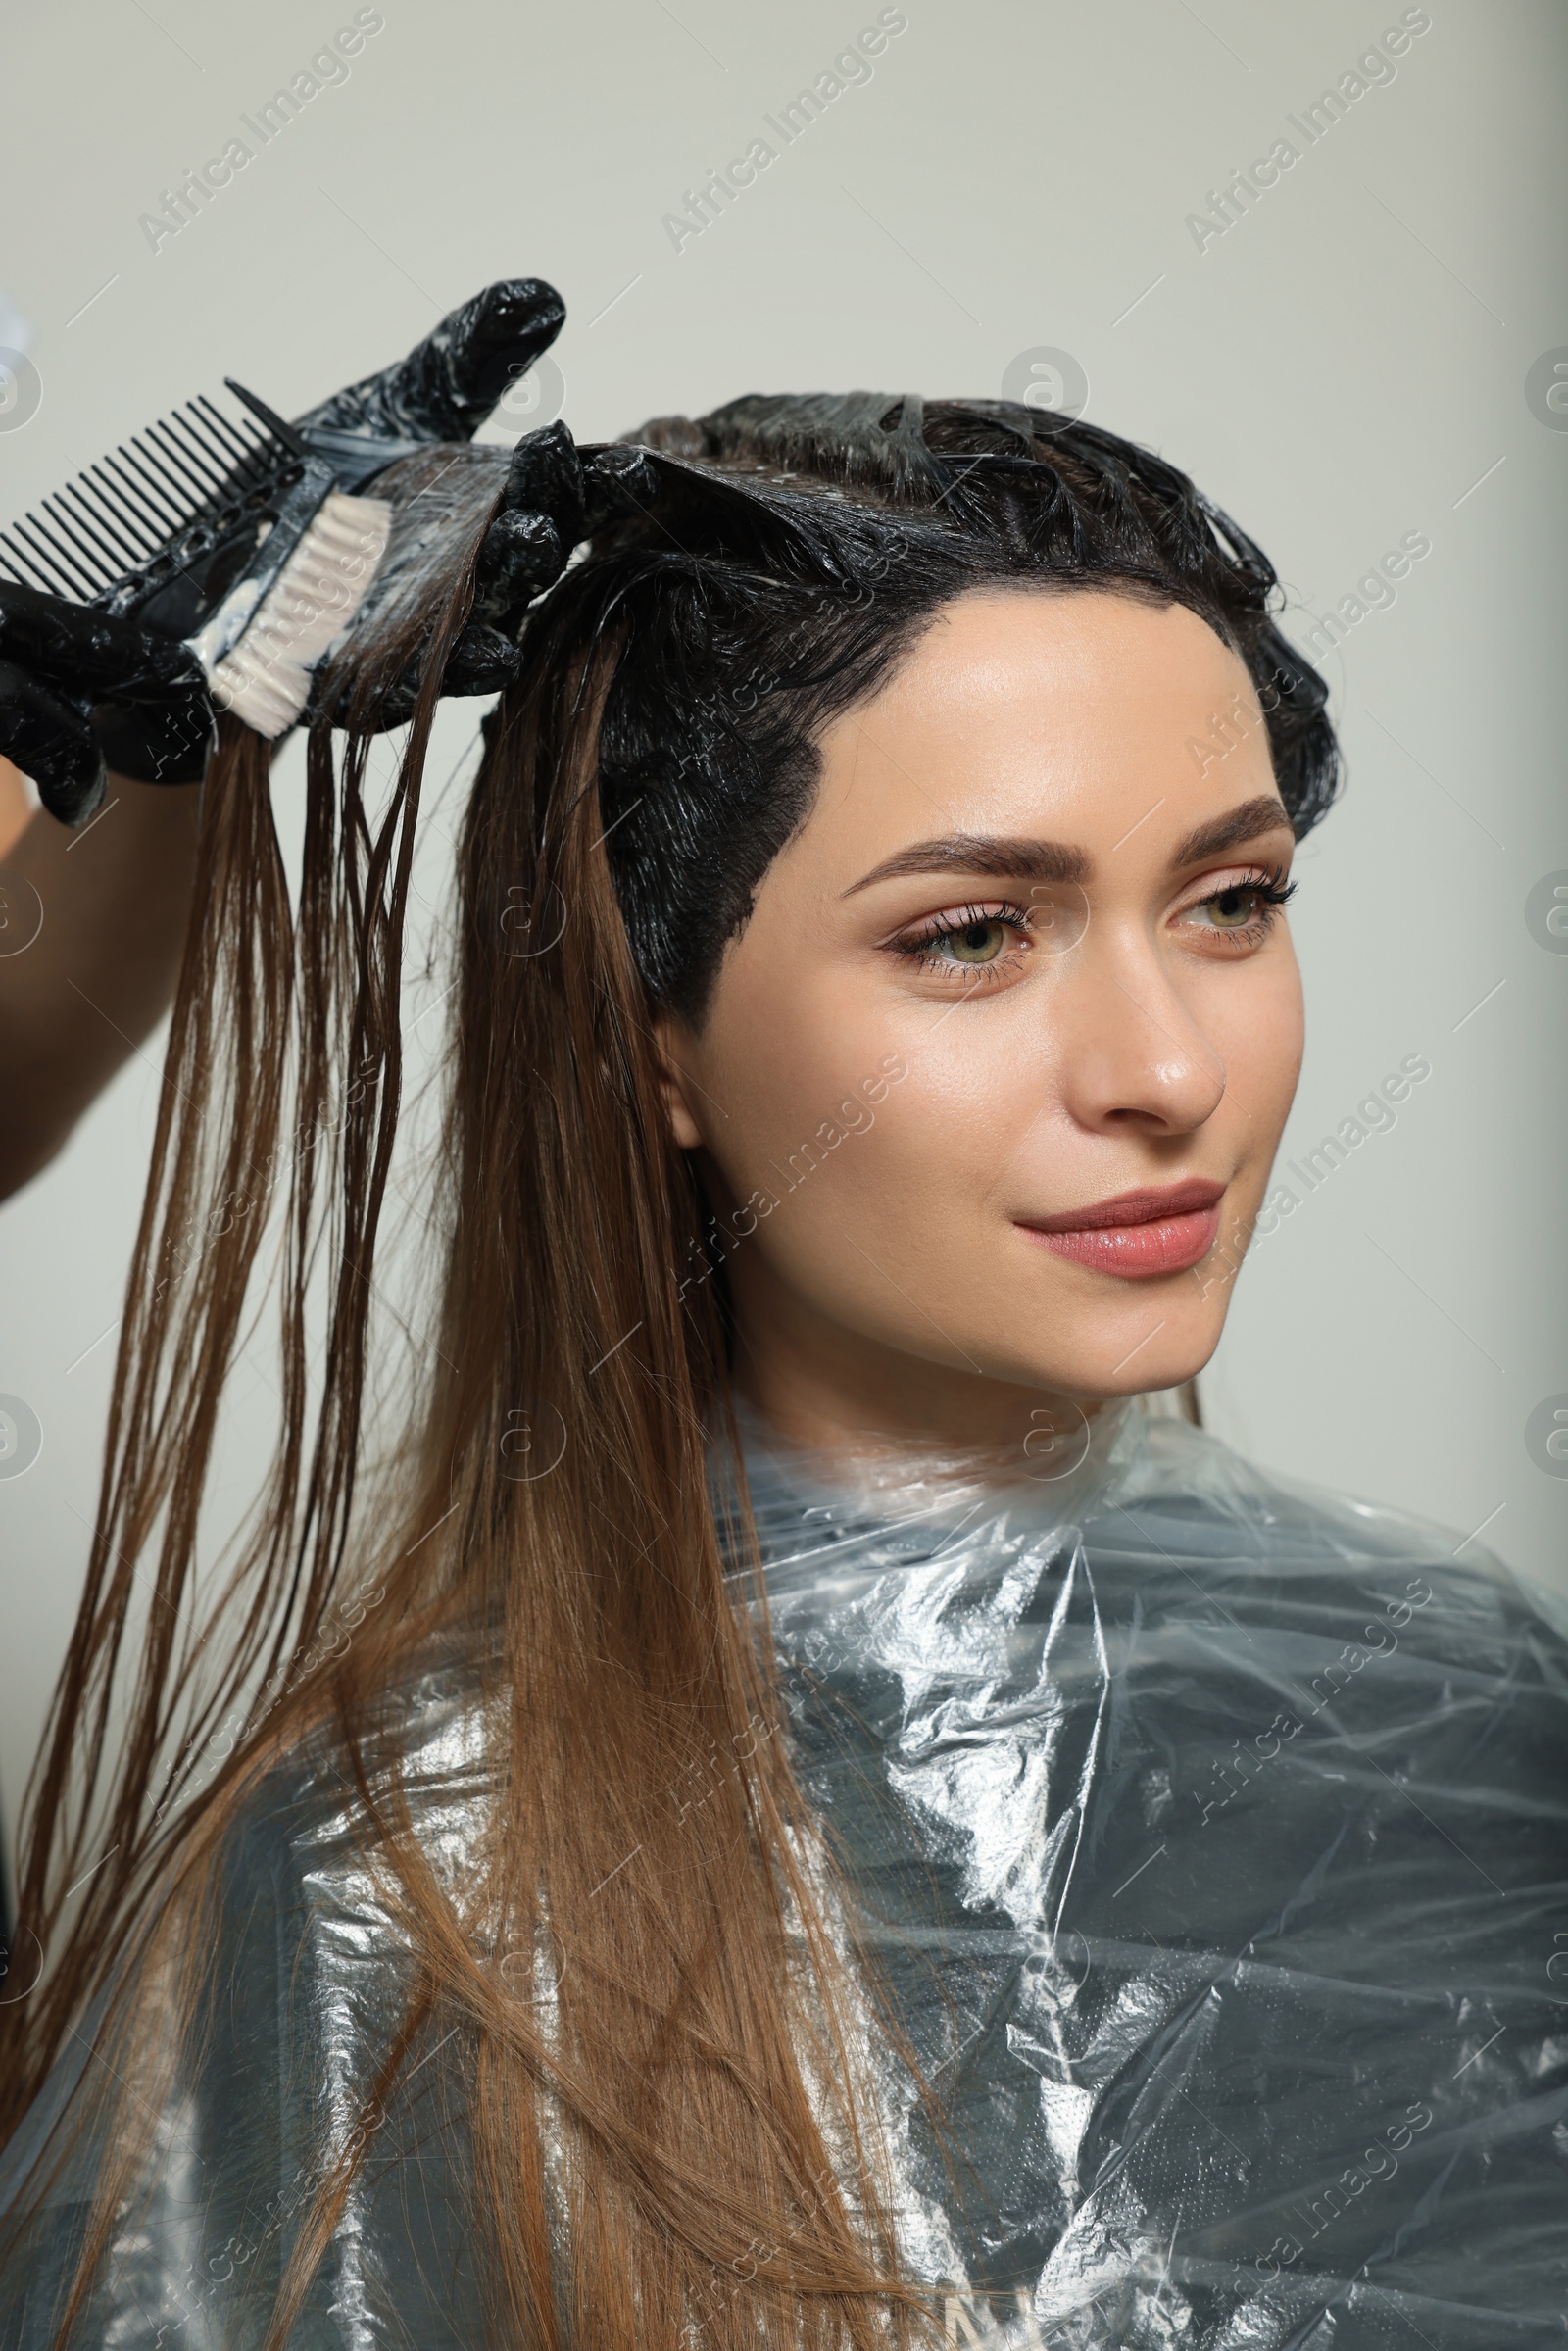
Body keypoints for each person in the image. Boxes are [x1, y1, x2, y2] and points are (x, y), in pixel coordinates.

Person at [0, 284, 1562, 2351]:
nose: (1160, 1067)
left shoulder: (1457, 1714)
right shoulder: (404, 1880)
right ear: (649, 1035)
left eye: (1230, 901)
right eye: (971, 934)